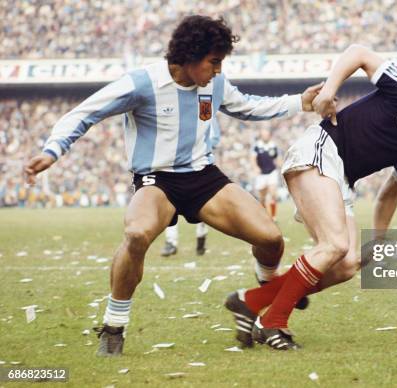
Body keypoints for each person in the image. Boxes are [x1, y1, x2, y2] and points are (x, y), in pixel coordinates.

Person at [24, 15, 322, 357]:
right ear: (190, 56)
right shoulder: (141, 83)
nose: (218, 70)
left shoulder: (215, 84)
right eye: (213, 62)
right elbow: (84, 113)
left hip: (203, 177)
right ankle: (113, 326)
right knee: (136, 235)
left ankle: (265, 293)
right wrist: (52, 151)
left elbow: (250, 107)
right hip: (156, 180)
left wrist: (300, 101)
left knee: (270, 239)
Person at [224, 44, 397, 350]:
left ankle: (250, 301)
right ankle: (274, 323)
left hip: (342, 179)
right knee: (335, 245)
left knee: (347, 264)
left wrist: (380, 238)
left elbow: (391, 191)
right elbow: (358, 53)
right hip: (320, 150)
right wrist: (328, 91)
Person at [251, 129, 280, 220]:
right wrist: (255, 167)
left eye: (267, 135)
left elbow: (277, 157)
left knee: (273, 194)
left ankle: (273, 216)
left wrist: (280, 164)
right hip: (261, 174)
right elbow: (253, 158)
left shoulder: (273, 145)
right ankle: (265, 217)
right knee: (262, 197)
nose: (265, 136)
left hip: (272, 172)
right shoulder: (257, 146)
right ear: (261, 136)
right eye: (263, 135)